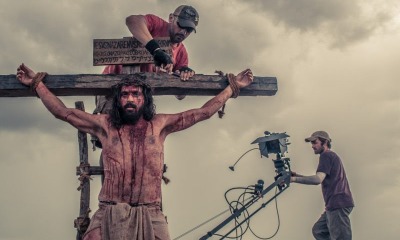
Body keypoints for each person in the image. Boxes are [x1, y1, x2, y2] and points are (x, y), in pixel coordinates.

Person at [16, 63, 253, 240]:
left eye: (135, 94)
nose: (130, 99)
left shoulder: (159, 125)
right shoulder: (105, 126)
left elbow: (203, 112)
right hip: (109, 209)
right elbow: (63, 112)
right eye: (125, 95)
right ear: (118, 100)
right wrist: (37, 84)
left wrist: (232, 88)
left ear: (144, 99)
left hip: (150, 212)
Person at [103, 5, 199, 81]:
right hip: (112, 82)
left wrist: (185, 76)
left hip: (141, 94)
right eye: (181, 25)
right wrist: (155, 50)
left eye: (189, 30)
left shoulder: (182, 52)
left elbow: (180, 96)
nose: (183, 32)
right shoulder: (156, 24)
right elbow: (132, 20)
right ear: (171, 18)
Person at [290, 131, 354, 240]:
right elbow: (320, 178)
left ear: (325, 142)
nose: (312, 146)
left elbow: (317, 180)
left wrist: (294, 179)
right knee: (319, 230)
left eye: (315, 143)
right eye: (312, 144)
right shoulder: (331, 156)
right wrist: (298, 175)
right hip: (334, 204)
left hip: (338, 203)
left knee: (340, 237)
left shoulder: (326, 155)